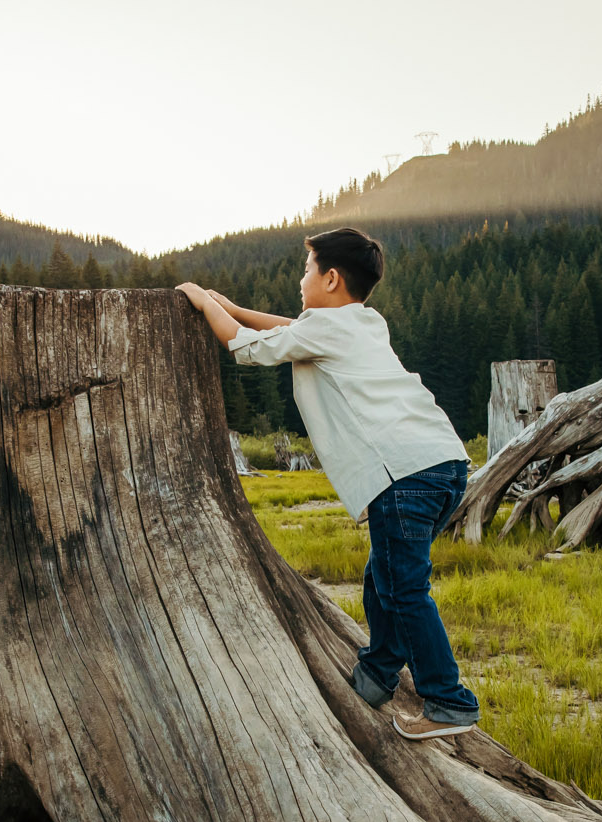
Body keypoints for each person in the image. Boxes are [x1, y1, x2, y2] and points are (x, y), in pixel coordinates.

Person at [178, 228, 479, 739]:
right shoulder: (363, 323)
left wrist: (204, 303)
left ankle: (448, 701)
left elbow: (247, 346)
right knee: (382, 577)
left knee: (404, 589)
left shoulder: (328, 331)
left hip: (402, 474)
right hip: (443, 463)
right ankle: (377, 675)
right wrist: (235, 305)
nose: (301, 280)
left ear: (332, 278)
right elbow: (290, 330)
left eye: (307, 269)